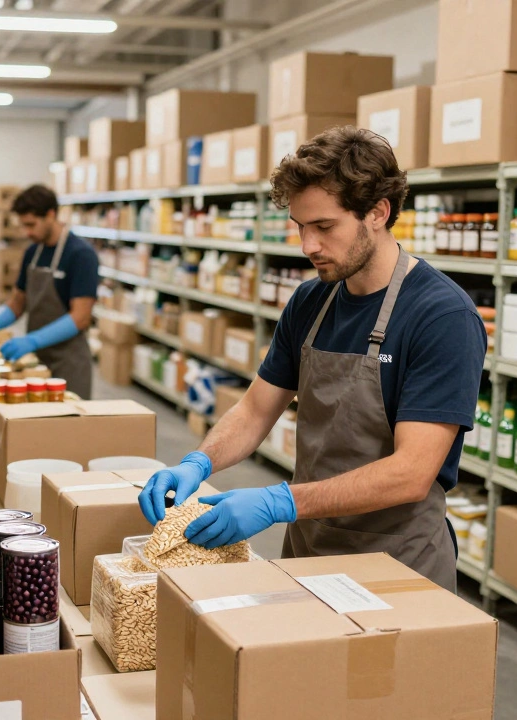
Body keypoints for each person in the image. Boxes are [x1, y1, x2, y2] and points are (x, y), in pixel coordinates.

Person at [137, 127, 486, 590]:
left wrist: (278, 502)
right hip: (308, 548)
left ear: (378, 213)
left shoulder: (441, 316)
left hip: (397, 564)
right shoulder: (311, 301)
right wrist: (197, 462)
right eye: (301, 227)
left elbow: (411, 474)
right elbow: (256, 409)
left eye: (324, 226)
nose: (308, 246)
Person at [0, 185, 99, 398]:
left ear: (51, 214)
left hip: (69, 362)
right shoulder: (32, 252)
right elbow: (18, 301)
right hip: (35, 361)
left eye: (31, 225)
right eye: (23, 226)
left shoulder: (80, 255)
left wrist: (33, 340)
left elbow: (81, 317)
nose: (27, 232)